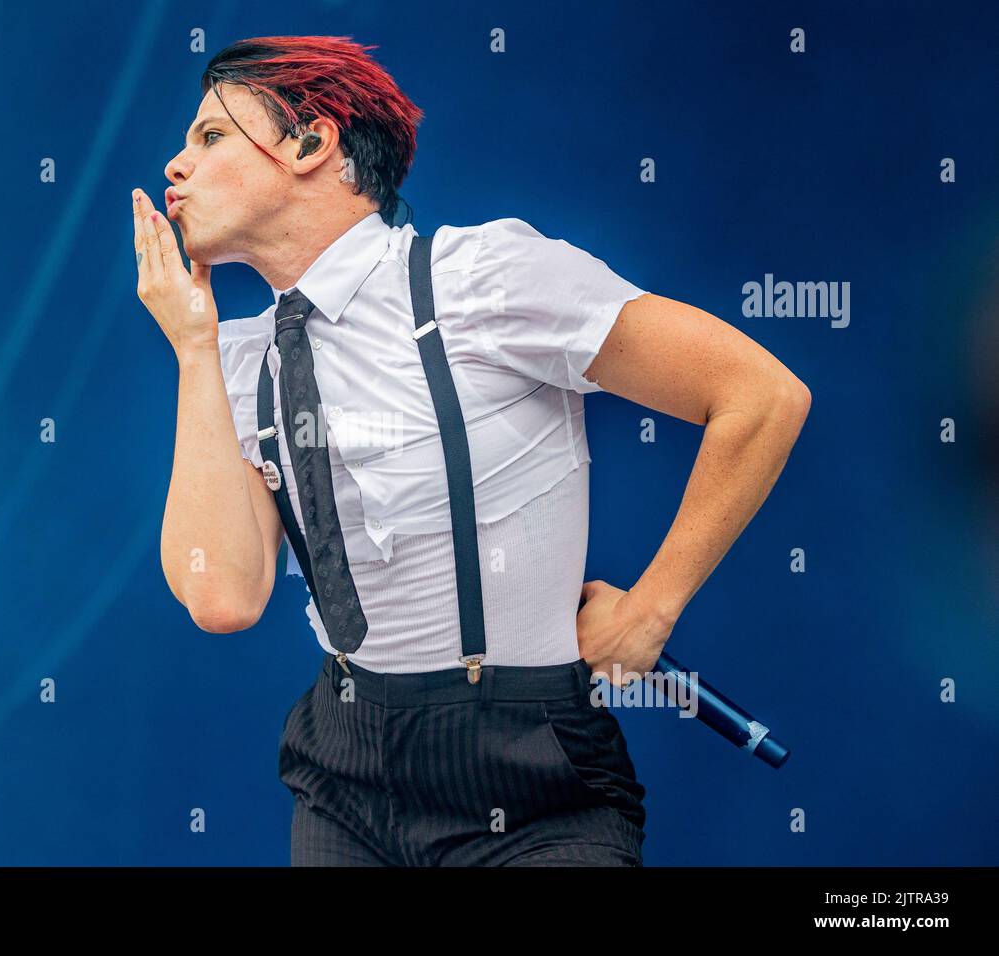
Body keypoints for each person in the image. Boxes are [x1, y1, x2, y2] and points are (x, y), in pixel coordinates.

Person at [133, 35, 810, 866]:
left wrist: (652, 608)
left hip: (533, 781)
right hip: (345, 773)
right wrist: (194, 350)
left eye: (211, 137)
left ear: (312, 144)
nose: (175, 165)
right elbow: (221, 597)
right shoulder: (239, 360)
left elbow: (761, 394)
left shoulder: (483, 278)